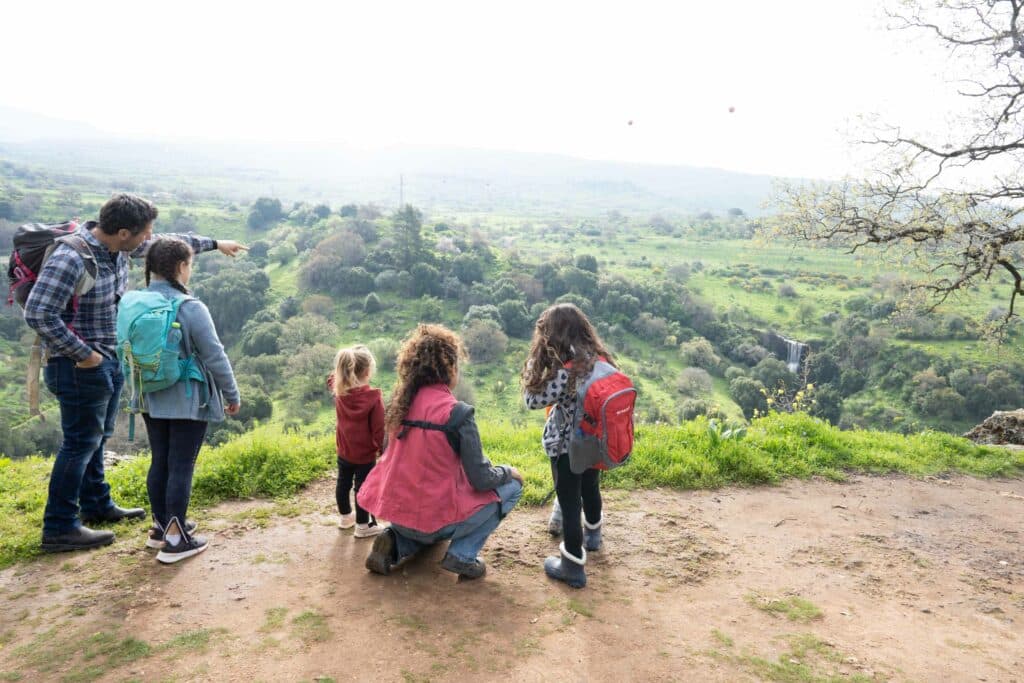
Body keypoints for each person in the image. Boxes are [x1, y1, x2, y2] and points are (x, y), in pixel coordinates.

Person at [23, 193, 246, 553]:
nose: (149, 238)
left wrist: (216, 244)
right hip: (76, 366)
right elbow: (37, 313)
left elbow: (171, 248)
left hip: (107, 360)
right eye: (146, 232)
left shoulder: (119, 247)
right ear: (124, 232)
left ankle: (97, 504)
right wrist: (86, 355)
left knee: (96, 437)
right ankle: (59, 526)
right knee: (79, 443)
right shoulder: (71, 258)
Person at [358, 324, 524, 580]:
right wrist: (507, 471)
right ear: (450, 369)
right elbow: (481, 479)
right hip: (439, 519)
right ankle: (462, 555)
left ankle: (394, 541)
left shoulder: (399, 406)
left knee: (423, 526)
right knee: (512, 486)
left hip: (400, 514)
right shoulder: (458, 414)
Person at [136, 238, 241, 563]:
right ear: (181, 267)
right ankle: (176, 539)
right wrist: (231, 393)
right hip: (186, 398)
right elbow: (215, 355)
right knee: (181, 465)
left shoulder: (135, 301)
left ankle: (161, 526)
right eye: (190, 265)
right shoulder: (190, 307)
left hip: (149, 394)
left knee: (161, 461)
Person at [521, 303, 615, 588]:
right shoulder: (601, 361)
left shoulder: (565, 372)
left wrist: (532, 367)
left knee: (570, 501)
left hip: (566, 447)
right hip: (595, 442)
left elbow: (532, 401)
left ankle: (572, 564)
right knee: (590, 488)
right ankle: (594, 535)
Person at [328, 344, 385, 538]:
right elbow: (379, 429)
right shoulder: (373, 398)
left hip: (344, 450)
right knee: (363, 488)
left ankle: (345, 518)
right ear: (368, 372)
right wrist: (382, 450)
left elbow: (332, 378)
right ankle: (363, 525)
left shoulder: (339, 390)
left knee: (343, 482)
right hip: (365, 454)